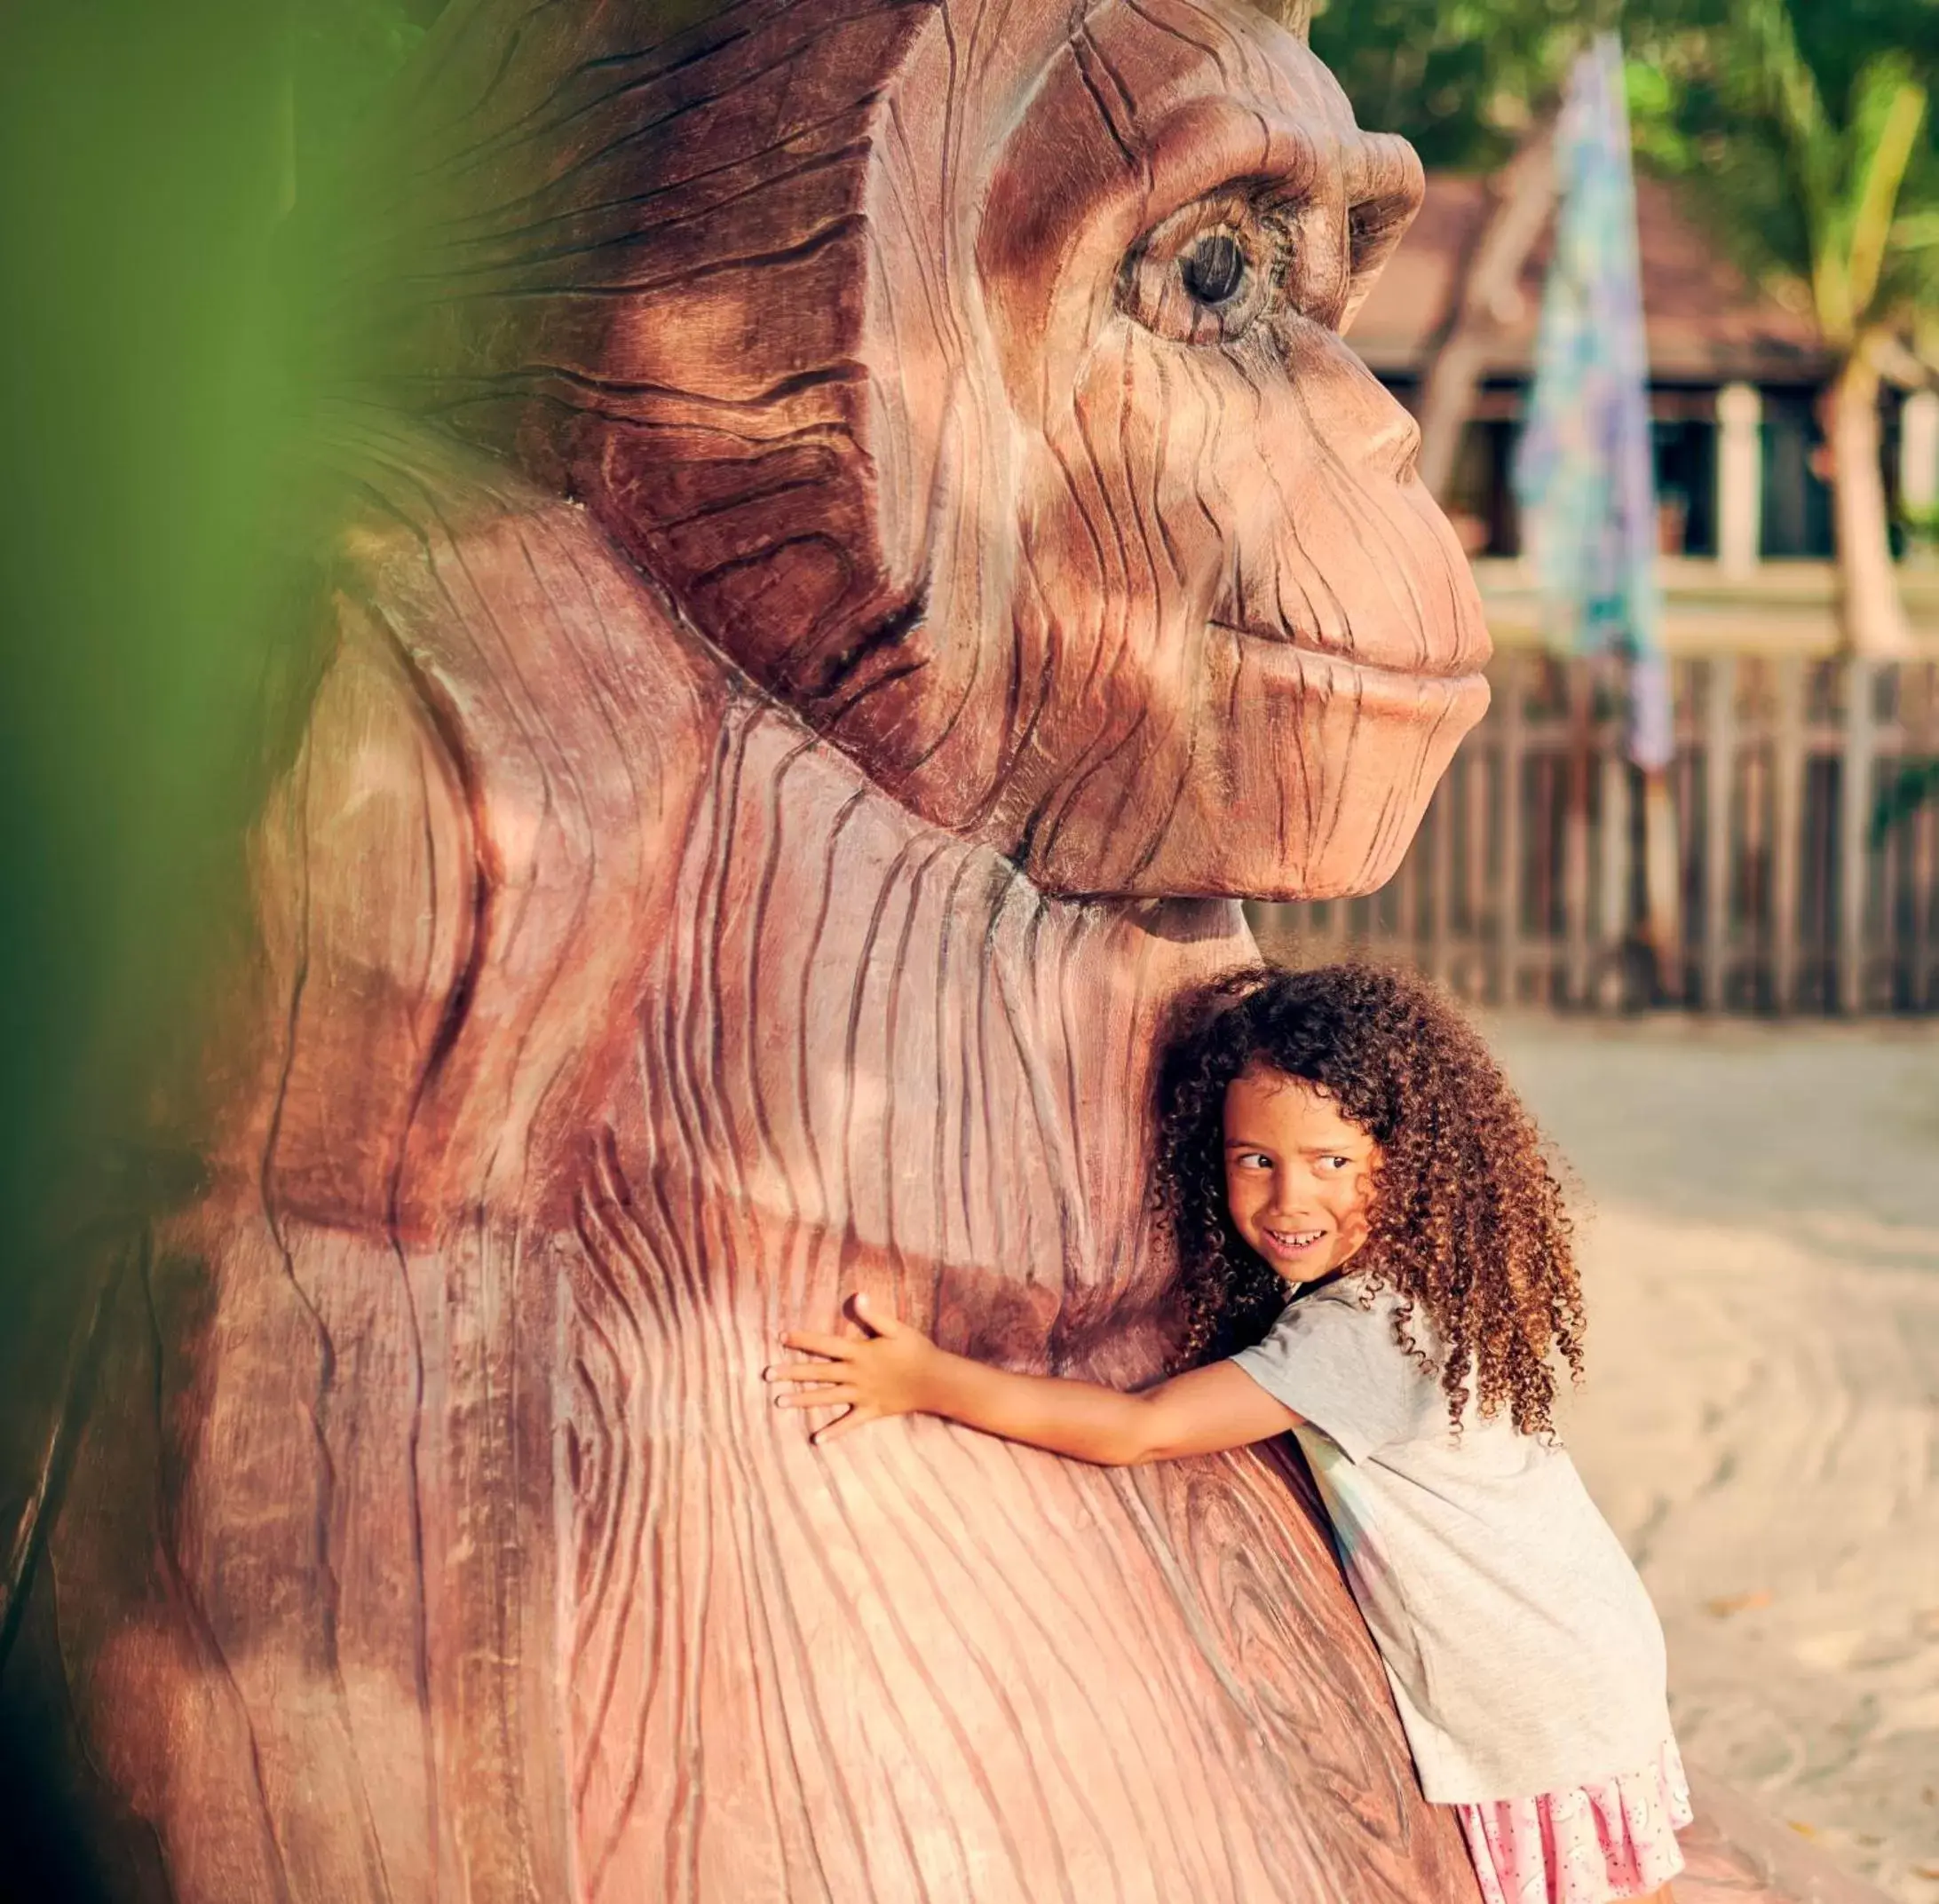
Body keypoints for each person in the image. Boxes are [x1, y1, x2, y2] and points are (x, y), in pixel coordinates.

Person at [764, 962, 1690, 1904]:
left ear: (1405, 1159)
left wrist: (928, 1379)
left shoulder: (1362, 1336)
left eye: (1331, 1163)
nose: (1289, 1200)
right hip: (1588, 1638)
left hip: (1536, 1692)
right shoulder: (1432, 1274)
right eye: (1256, 1160)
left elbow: (1142, 1429)